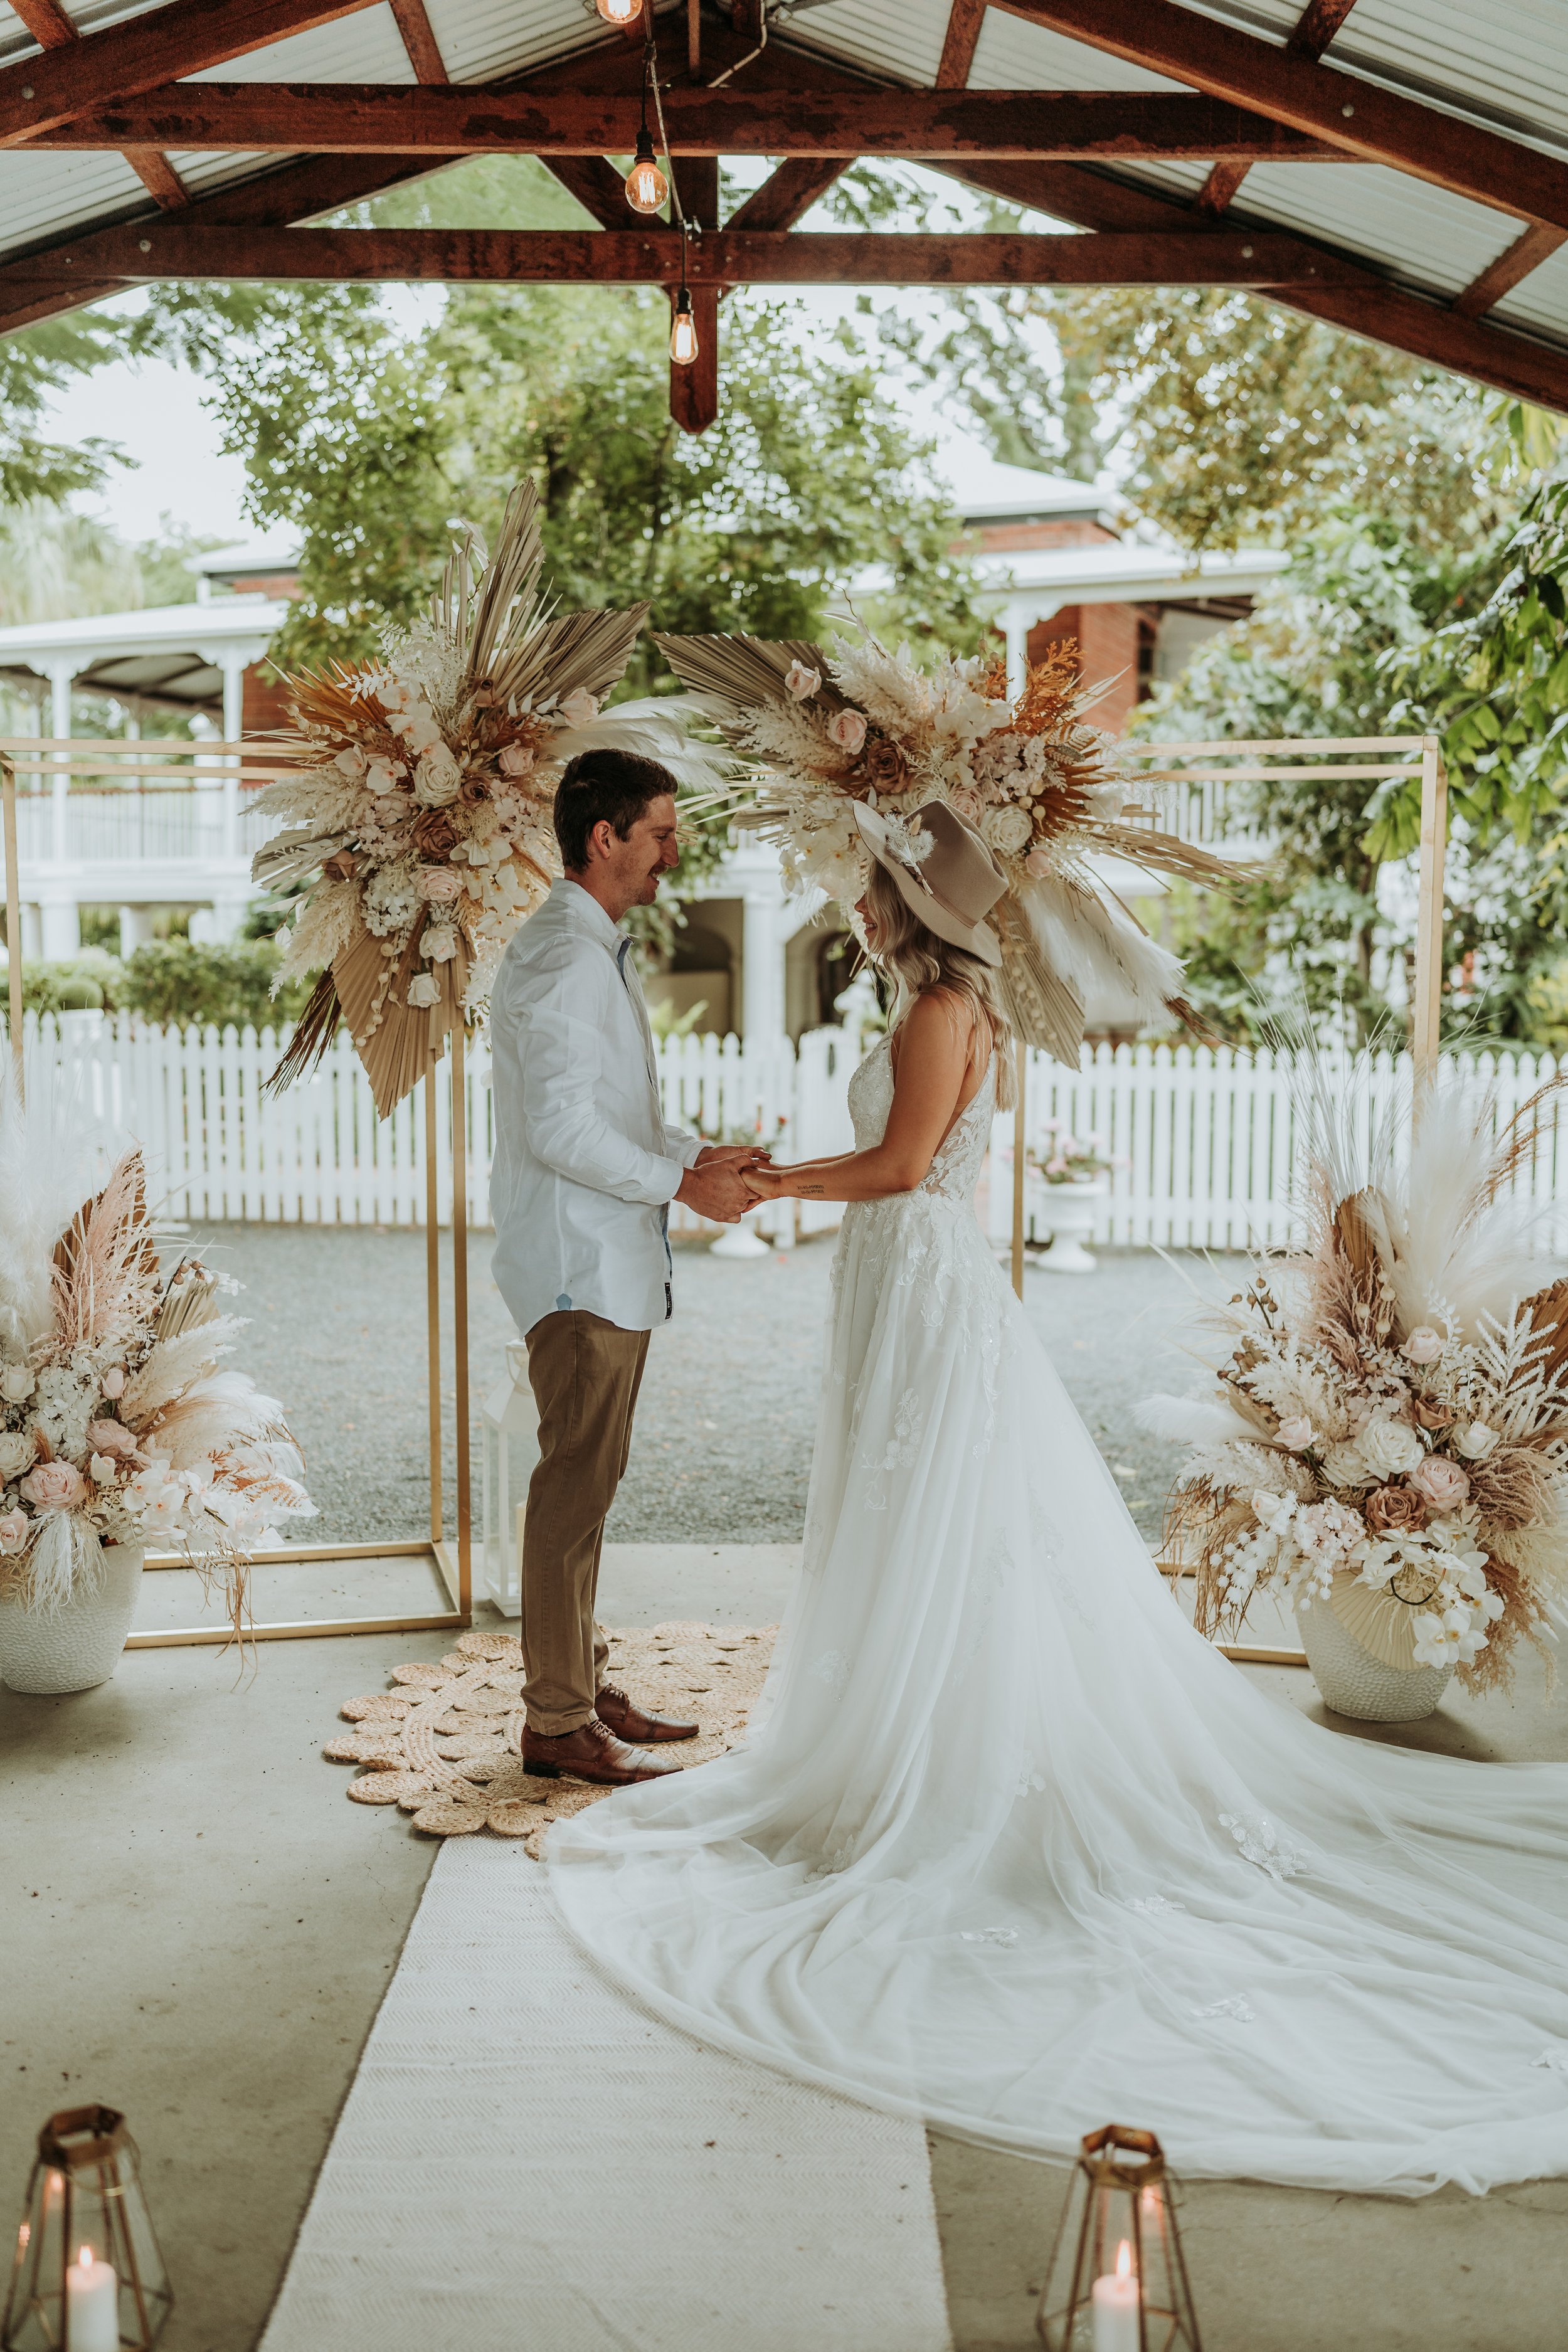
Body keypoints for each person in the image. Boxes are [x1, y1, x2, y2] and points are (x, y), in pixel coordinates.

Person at [546, 795, 1568, 2198]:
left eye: (873, 884)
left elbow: (903, 1169)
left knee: (934, 1516)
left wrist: (771, 1181)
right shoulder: (967, 1010)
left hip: (914, 1279)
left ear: (909, 906)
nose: (857, 900)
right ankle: (928, 1716)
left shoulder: (928, 1018)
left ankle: (928, 1757)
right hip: (919, 1284)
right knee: (947, 1522)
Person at [489, 748, 767, 1789]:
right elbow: (563, 1129)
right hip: (579, 1268)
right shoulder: (565, 954)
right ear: (603, 837)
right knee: (572, 1487)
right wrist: (679, 1185)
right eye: (659, 831)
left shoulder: (584, 944)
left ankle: (577, 1673)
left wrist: (695, 1155)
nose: (673, 850)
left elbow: (610, 1111)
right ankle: (557, 1718)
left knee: (590, 1481)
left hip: (601, 1258)